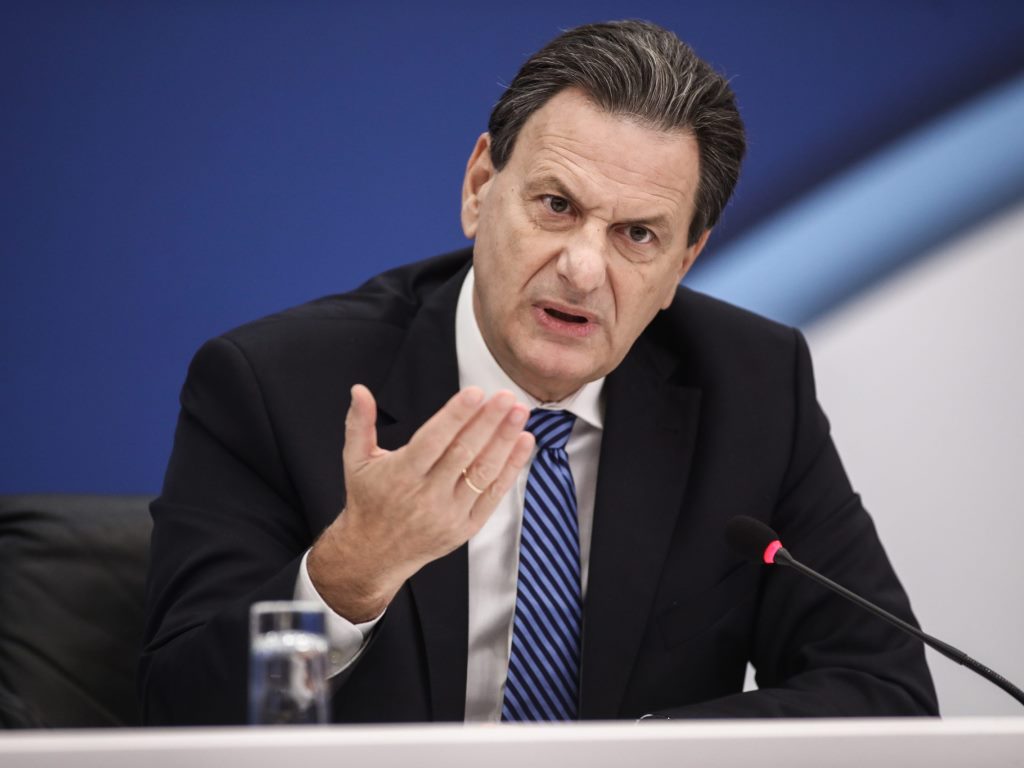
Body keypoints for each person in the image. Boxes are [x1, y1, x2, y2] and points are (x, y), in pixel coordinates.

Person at [140, 20, 937, 724]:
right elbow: (188, 717)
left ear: (685, 261)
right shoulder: (274, 385)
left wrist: (635, 758)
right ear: (480, 188)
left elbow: (883, 690)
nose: (583, 269)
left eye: (637, 235)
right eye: (557, 206)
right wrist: (350, 575)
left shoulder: (754, 389)